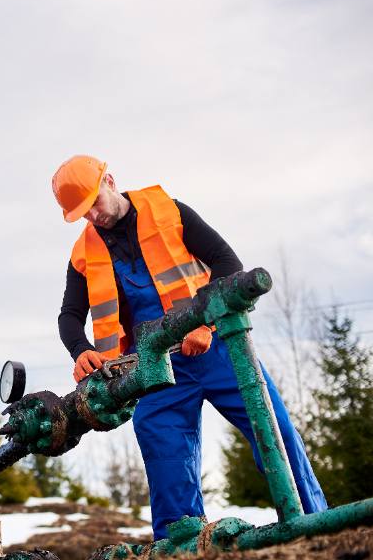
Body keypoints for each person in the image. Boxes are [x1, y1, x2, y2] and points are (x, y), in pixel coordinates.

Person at [52, 154, 327, 540]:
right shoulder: (83, 254)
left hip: (218, 350)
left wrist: (206, 321)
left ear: (110, 181)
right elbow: (69, 315)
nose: (93, 216)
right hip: (153, 369)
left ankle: (316, 527)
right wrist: (80, 349)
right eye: (83, 213)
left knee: (274, 431)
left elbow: (227, 262)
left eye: (94, 202)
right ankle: (180, 551)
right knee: (166, 461)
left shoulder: (170, 211)